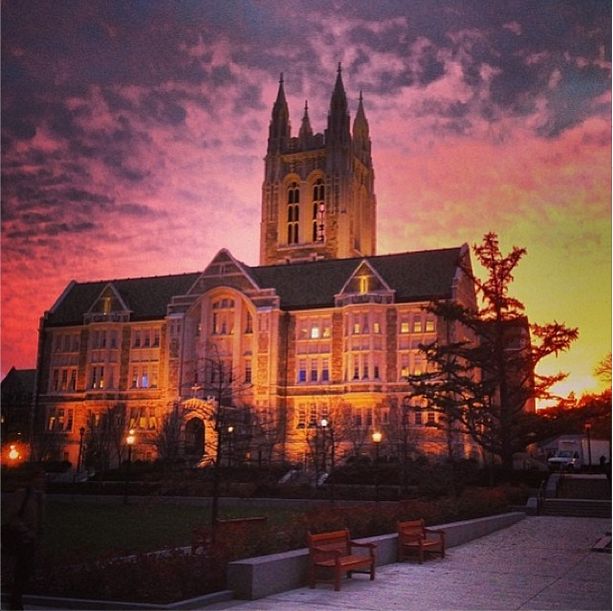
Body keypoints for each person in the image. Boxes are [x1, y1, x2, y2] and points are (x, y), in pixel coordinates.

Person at [1, 466, 46, 610]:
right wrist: (26, 531)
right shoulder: (22, 494)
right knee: (20, 571)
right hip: (21, 538)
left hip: (31, 539)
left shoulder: (39, 497)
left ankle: (16, 598)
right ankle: (15, 602)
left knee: (25, 571)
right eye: (39, 477)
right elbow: (11, 516)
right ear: (32, 479)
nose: (42, 480)